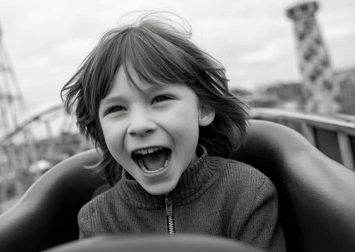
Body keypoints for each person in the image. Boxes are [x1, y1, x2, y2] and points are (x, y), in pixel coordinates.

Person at [61, 12, 286, 252]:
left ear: (204, 108)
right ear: (100, 129)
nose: (139, 125)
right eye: (116, 109)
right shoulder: (98, 219)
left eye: (160, 99)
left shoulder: (247, 192)